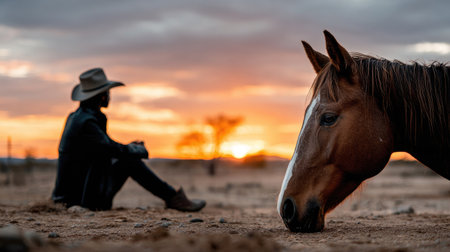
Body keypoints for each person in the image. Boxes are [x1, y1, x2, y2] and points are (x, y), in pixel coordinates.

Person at [52, 68, 206, 212]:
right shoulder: (87, 123)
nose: (109, 96)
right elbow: (111, 149)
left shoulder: (78, 118)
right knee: (130, 161)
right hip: (79, 200)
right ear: (102, 95)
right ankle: (173, 198)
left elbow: (106, 149)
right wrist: (136, 150)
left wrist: (129, 148)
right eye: (107, 92)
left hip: (75, 195)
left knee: (127, 158)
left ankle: (173, 197)